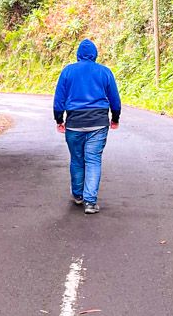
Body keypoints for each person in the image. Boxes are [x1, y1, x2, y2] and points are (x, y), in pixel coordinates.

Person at [53, 39, 121, 214]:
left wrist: (59, 119)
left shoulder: (68, 71)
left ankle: (78, 195)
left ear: (78, 54)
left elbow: (59, 99)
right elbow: (115, 98)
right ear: (95, 54)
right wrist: (115, 118)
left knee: (77, 159)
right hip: (98, 124)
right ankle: (90, 202)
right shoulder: (104, 72)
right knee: (93, 160)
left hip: (74, 123)